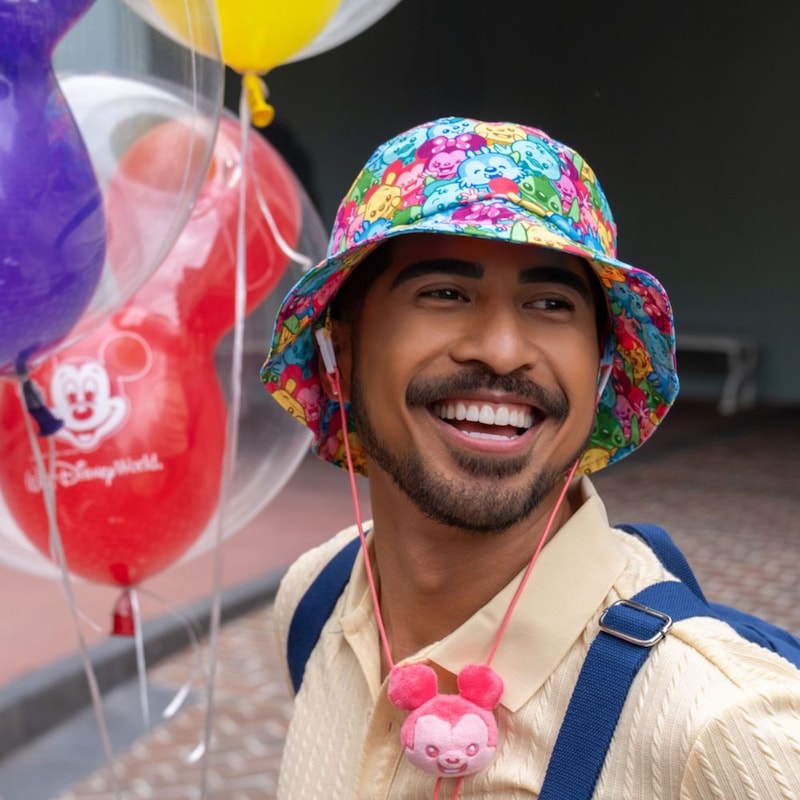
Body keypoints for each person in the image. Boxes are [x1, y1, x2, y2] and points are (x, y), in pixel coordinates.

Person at [260, 117, 800, 799]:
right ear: (343, 346)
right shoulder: (318, 598)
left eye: (551, 302)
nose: (503, 350)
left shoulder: (730, 730)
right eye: (445, 293)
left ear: (602, 369)